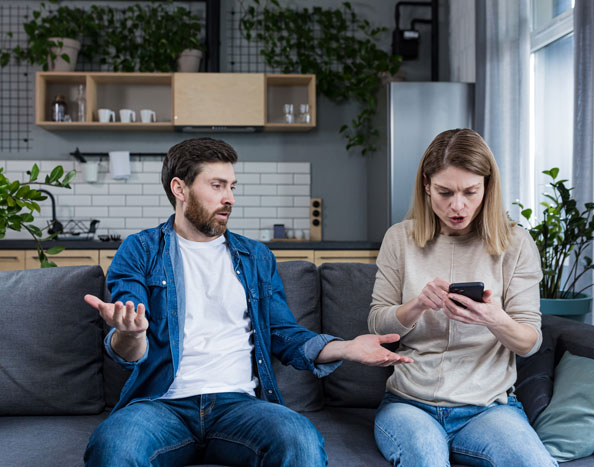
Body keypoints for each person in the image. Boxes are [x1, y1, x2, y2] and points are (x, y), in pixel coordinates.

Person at [83, 137, 412, 467]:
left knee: (301, 441)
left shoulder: (255, 257)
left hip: (240, 405)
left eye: (232, 187)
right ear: (180, 189)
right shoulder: (140, 250)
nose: (230, 199)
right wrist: (132, 334)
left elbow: (283, 334)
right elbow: (128, 344)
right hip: (161, 405)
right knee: (112, 446)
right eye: (217, 186)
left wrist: (346, 347)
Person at [369, 128, 557, 466]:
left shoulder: (516, 244)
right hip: (410, 405)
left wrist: (495, 319)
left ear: (487, 186)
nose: (458, 206)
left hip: (486, 409)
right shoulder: (399, 239)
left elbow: (529, 342)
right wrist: (416, 306)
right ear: (426, 185)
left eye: (471, 192)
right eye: (444, 192)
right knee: (426, 459)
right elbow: (377, 323)